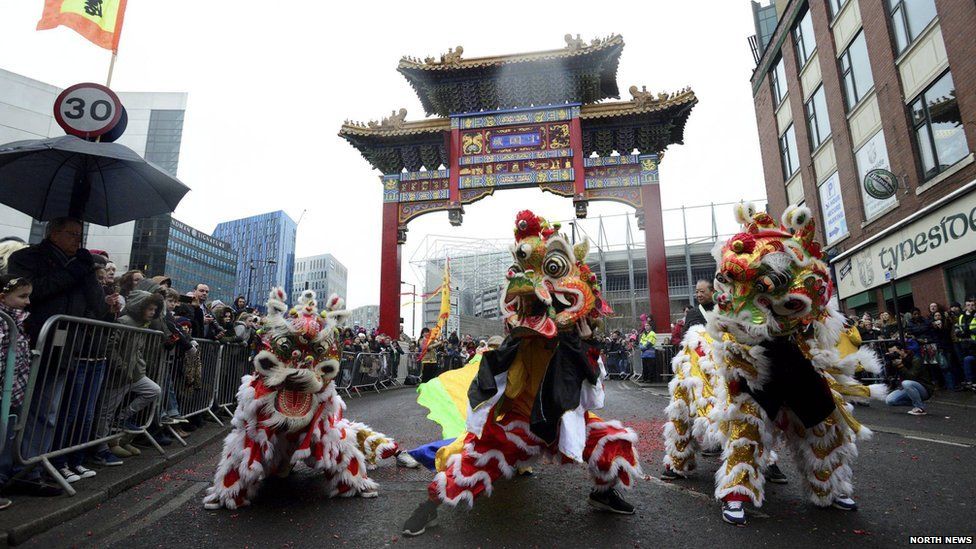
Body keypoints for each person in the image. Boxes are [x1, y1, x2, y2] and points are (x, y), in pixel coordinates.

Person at [6, 218, 108, 496]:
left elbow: (99, 307)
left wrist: (86, 271)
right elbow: (34, 291)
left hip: (65, 348)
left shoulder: (82, 266)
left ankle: (31, 469)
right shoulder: (26, 257)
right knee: (15, 410)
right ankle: (9, 469)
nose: (78, 240)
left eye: (81, 234)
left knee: (48, 412)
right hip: (30, 343)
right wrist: (74, 271)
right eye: (72, 234)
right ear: (54, 233)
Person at [92, 290, 164, 465]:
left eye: (155, 309)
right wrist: (122, 368)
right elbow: (111, 347)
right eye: (150, 309)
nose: (153, 312)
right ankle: (101, 449)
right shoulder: (125, 322)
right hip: (118, 376)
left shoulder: (141, 324)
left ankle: (123, 418)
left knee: (153, 390)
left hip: (133, 374)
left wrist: (138, 368)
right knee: (105, 412)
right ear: (140, 307)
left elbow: (136, 352)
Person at [0, 275, 33, 509]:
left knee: (5, 437)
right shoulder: (4, 321)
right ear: (3, 297)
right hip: (3, 388)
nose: (27, 301)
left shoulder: (17, 319)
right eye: (22, 296)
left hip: (12, 390)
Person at [885, 342, 934, 415]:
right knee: (890, 401)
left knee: (906, 383)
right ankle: (918, 402)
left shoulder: (915, 359)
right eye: (891, 353)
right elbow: (889, 375)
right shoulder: (896, 360)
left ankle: (919, 408)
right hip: (907, 387)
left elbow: (911, 377)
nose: (893, 354)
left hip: (924, 388)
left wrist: (901, 365)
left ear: (902, 350)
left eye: (895, 352)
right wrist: (889, 363)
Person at [955, 298, 976, 390]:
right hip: (965, 345)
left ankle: (971, 382)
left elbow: (973, 330)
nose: (970, 307)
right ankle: (972, 383)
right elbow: (957, 330)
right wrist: (961, 333)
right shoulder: (961, 317)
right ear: (965, 306)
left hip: (974, 344)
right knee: (966, 363)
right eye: (968, 305)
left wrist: (967, 331)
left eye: (972, 305)